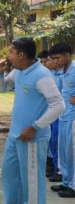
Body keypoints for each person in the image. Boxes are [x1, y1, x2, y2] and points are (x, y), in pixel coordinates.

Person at [0, 38, 64, 204]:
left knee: (32, 179)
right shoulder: (19, 71)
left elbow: (58, 105)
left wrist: (35, 127)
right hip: (15, 135)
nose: (8, 55)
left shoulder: (42, 75)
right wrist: (0, 72)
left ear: (21, 54)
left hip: (33, 138)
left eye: (11, 51)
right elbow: (3, 88)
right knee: (10, 174)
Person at [49, 43, 75, 198]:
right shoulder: (63, 72)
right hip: (64, 117)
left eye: (58, 58)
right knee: (64, 151)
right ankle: (66, 181)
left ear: (67, 56)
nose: (56, 61)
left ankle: (73, 185)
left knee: (73, 152)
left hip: (73, 118)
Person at [39, 50, 63, 182]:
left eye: (46, 61)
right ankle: (52, 166)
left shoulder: (67, 73)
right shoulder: (48, 74)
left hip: (63, 114)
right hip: (50, 112)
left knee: (59, 142)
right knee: (51, 141)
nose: (46, 63)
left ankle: (59, 170)